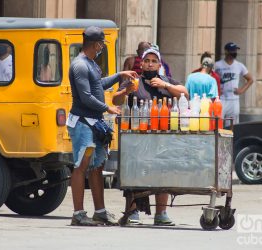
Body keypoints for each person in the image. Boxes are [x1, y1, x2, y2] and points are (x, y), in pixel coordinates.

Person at [67, 26, 137, 226]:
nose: (101, 48)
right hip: (82, 122)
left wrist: (119, 75)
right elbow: (85, 96)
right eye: (101, 45)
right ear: (96, 44)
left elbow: (98, 85)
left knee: (97, 167)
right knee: (81, 166)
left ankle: (100, 212)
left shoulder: (91, 64)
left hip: (94, 123)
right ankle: (78, 214)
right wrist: (108, 108)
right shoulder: (80, 65)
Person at [112, 48, 188, 226]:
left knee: (163, 172)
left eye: (154, 61)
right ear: (142, 63)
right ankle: (132, 212)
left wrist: (165, 86)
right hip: (137, 137)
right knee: (134, 173)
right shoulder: (134, 81)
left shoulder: (166, 81)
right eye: (147, 60)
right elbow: (115, 100)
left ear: (159, 64)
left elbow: (185, 93)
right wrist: (126, 91)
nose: (150, 63)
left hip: (162, 137)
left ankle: (161, 214)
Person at [215, 42, 253, 125]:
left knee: (232, 126)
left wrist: (241, 91)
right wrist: (216, 90)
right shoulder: (217, 65)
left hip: (234, 100)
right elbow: (211, 79)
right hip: (221, 99)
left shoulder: (239, 66)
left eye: (235, 50)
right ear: (226, 51)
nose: (234, 52)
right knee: (218, 124)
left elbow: (250, 79)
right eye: (232, 50)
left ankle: (230, 138)